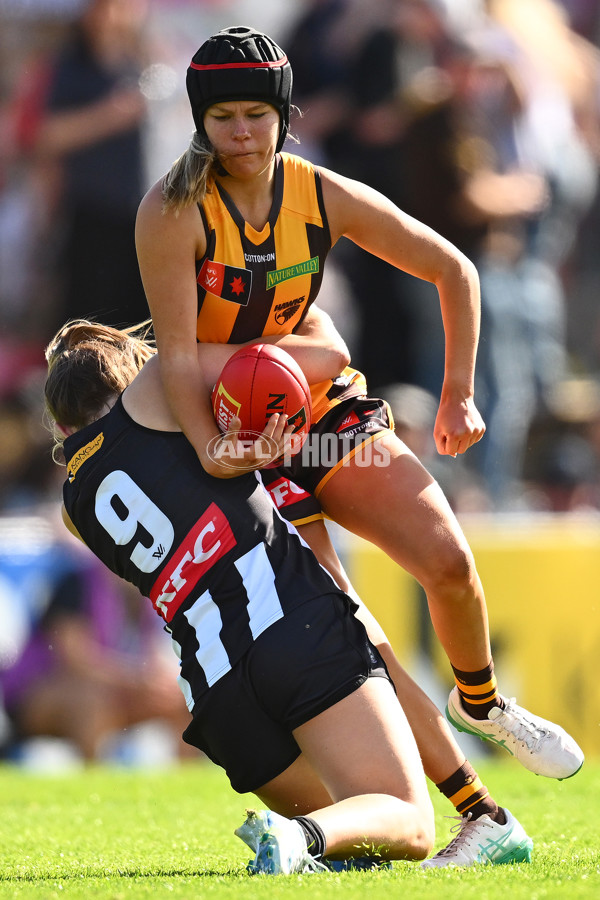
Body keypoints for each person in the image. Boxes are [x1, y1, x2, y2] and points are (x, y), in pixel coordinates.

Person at [134, 25, 584, 781]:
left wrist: (459, 396)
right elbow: (176, 358)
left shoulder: (318, 192)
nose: (241, 132)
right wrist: (216, 448)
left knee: (447, 560)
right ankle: (472, 806)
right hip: (239, 443)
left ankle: (480, 702)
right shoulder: (173, 208)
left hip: (325, 416)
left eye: (255, 113)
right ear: (198, 121)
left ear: (284, 114)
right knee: (352, 629)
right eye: (222, 117)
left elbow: (453, 270)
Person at [43, 319, 535, 871]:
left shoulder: (72, 504)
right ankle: (298, 835)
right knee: (407, 821)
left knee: (362, 849)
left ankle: (302, 838)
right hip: (288, 625)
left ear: (62, 425)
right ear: (128, 376)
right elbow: (326, 355)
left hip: (215, 691)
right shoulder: (155, 388)